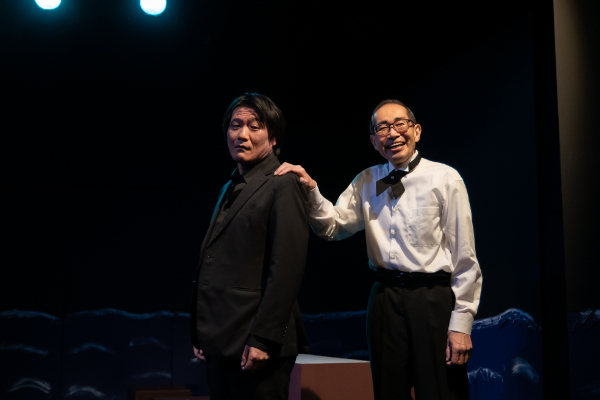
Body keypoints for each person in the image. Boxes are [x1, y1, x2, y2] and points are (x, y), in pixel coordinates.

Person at [274, 99, 482, 400]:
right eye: (382, 128)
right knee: (388, 391)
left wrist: (462, 323)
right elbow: (334, 226)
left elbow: (465, 259)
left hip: (432, 300)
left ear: (416, 131)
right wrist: (311, 189)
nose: (392, 133)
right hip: (385, 299)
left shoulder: (445, 178)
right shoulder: (366, 180)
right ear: (374, 141)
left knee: (441, 391)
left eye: (399, 124)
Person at [190, 93, 310, 400]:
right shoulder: (229, 186)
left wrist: (264, 338)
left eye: (254, 126)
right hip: (220, 338)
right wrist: (201, 330)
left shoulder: (282, 183)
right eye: (235, 125)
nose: (242, 134)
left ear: (273, 137)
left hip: (254, 342)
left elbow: (286, 269)